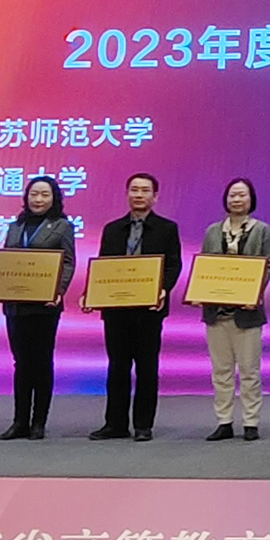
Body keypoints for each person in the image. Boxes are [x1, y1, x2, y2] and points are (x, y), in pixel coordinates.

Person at [84, 172, 182, 442]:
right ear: (127, 194)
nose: (139, 195)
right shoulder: (112, 229)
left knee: (147, 367)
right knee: (117, 367)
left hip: (149, 310)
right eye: (134, 190)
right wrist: (93, 294)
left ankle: (143, 425)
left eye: (145, 190)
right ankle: (115, 424)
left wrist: (163, 289)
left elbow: (173, 264)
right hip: (116, 310)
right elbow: (103, 267)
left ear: (155, 196)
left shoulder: (166, 228)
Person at [0, 175, 76, 441]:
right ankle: (19, 422)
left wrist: (58, 291)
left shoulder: (62, 226)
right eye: (34, 194)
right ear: (26, 197)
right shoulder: (15, 226)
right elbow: (5, 263)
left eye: (45, 194)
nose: (38, 199)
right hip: (16, 307)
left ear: (54, 198)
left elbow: (68, 262)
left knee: (42, 363)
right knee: (21, 363)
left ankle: (38, 422)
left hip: (45, 306)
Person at [199, 178, 270, 441]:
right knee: (221, 371)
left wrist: (254, 294)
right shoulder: (213, 231)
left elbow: (267, 267)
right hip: (216, 313)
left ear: (251, 199)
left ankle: (251, 422)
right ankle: (224, 421)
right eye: (233, 195)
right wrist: (201, 292)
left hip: (247, 313)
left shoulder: (262, 230)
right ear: (226, 199)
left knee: (249, 371)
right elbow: (204, 268)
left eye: (242, 195)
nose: (237, 199)